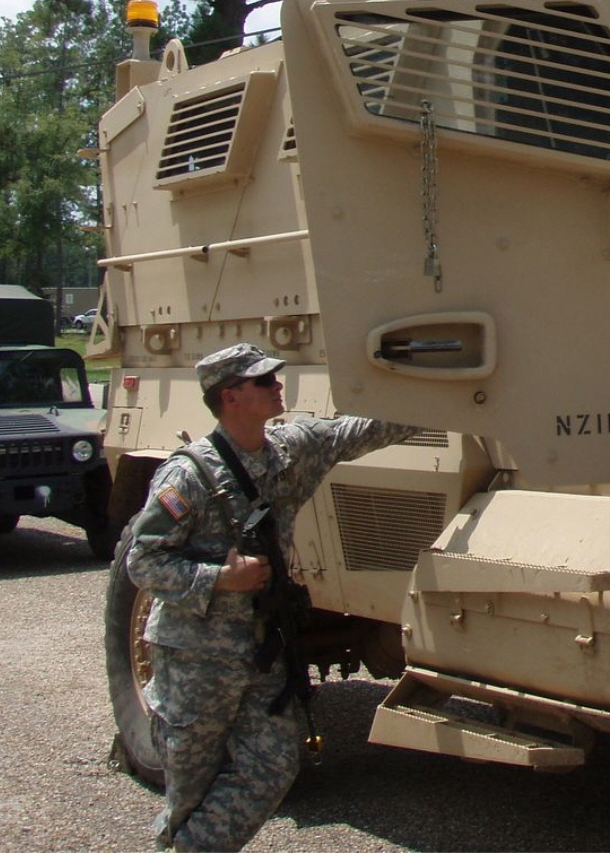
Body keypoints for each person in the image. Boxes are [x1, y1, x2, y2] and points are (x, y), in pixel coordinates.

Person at [126, 343, 417, 851]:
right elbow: (143, 561)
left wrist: (442, 401)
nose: (277, 385)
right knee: (192, 788)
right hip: (197, 658)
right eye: (264, 381)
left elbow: (359, 431)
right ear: (231, 396)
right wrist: (219, 577)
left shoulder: (291, 450)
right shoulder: (188, 476)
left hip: (262, 650)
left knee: (275, 764)